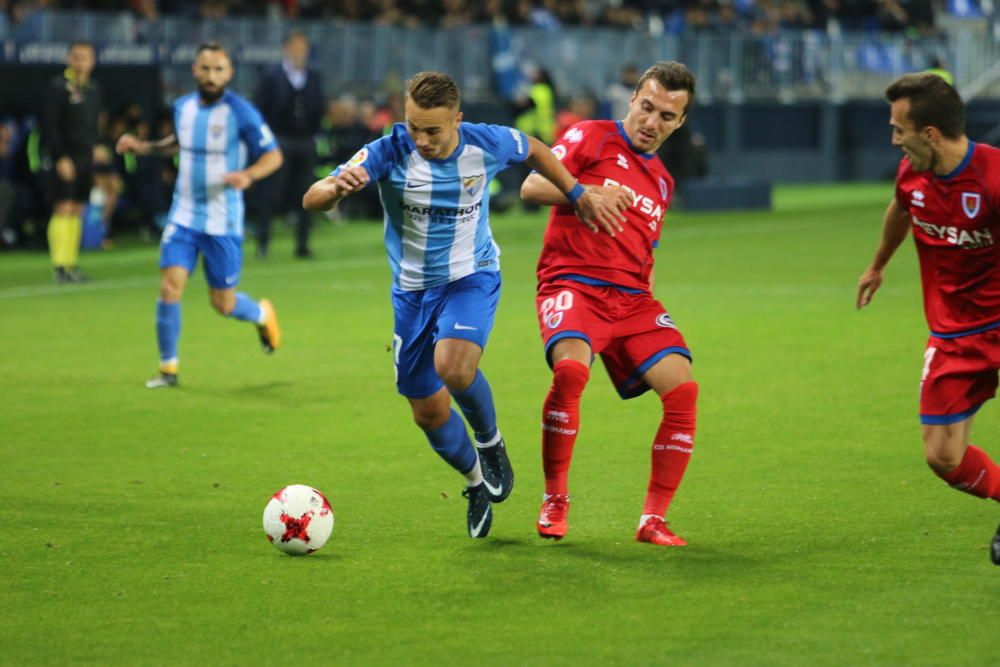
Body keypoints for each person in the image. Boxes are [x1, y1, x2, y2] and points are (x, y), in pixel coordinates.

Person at [303, 71, 626, 539]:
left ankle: (491, 443)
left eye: (432, 130)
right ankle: (476, 482)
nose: (421, 139)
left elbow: (535, 148)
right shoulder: (387, 151)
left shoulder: (486, 144)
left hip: (470, 278)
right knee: (427, 413)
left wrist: (576, 194)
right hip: (411, 294)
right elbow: (310, 197)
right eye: (413, 126)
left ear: (458, 120)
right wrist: (333, 188)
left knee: (454, 367)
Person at [521, 61, 699, 547]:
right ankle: (555, 498)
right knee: (571, 373)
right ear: (631, 100)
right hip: (572, 283)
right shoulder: (591, 137)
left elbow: (647, 250)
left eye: (666, 116)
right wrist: (583, 193)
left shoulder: (663, 181)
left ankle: (653, 520)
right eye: (647, 107)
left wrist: (646, 299)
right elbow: (530, 186)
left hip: (633, 299)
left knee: (682, 392)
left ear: (679, 123)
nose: (651, 122)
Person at [856, 72, 1000, 566]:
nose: (895, 138)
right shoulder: (910, 174)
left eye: (900, 129)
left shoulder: (994, 178)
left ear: (930, 134)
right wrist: (878, 264)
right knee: (943, 457)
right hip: (953, 334)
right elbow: (901, 211)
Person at [116, 42, 284, 389]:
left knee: (222, 304)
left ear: (230, 73)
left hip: (222, 221)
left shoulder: (242, 112)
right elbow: (178, 142)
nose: (211, 76)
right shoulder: (182, 107)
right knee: (169, 286)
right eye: (205, 69)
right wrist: (143, 147)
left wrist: (248, 175)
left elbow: (273, 156)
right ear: (194, 70)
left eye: (219, 69)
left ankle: (261, 314)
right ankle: (168, 369)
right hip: (184, 214)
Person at [252, 31, 324, 259]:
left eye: (303, 47)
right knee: (271, 194)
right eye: (295, 47)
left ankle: (303, 245)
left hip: (305, 141)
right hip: (279, 140)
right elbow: (261, 108)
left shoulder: (312, 76)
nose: (299, 52)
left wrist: (313, 131)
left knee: (307, 193)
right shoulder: (272, 76)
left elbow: (319, 106)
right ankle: (263, 243)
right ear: (286, 49)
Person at [43, 41, 102, 283]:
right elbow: (49, 125)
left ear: (93, 61)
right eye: (76, 57)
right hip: (65, 157)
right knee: (63, 207)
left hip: (86, 156)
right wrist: (59, 157)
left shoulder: (94, 88)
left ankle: (71, 264)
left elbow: (93, 123)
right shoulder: (58, 87)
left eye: (85, 58)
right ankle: (59, 266)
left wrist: (97, 147)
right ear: (69, 59)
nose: (80, 62)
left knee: (77, 208)